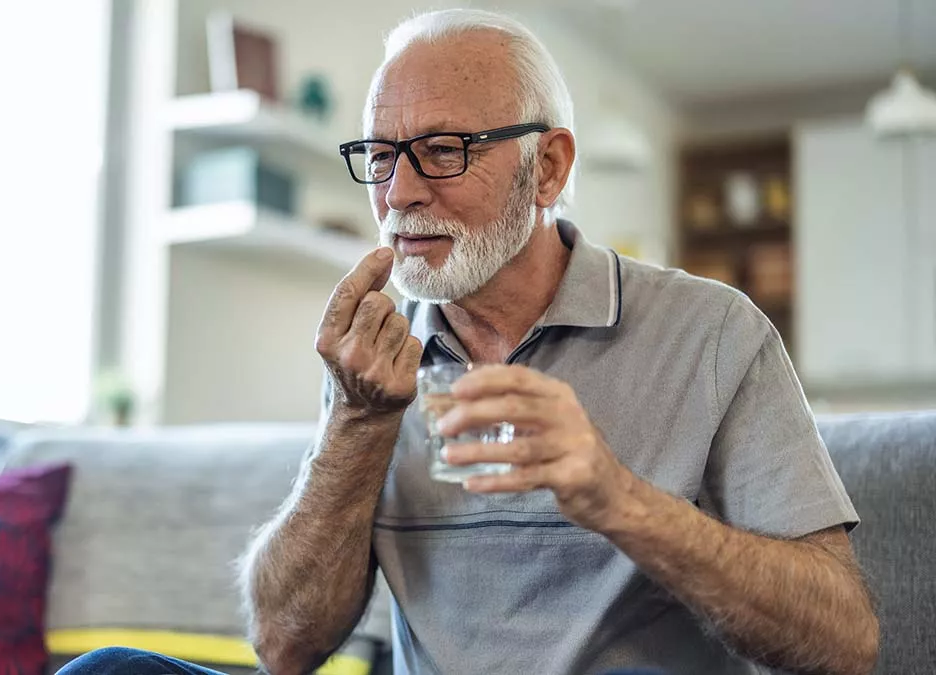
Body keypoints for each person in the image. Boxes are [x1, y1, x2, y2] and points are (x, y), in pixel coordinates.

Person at [59, 8, 878, 675]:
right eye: (381, 157)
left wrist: (616, 499)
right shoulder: (376, 354)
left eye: (444, 151)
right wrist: (356, 422)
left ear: (547, 169)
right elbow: (285, 645)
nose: (401, 193)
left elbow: (845, 642)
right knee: (109, 673)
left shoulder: (713, 333)